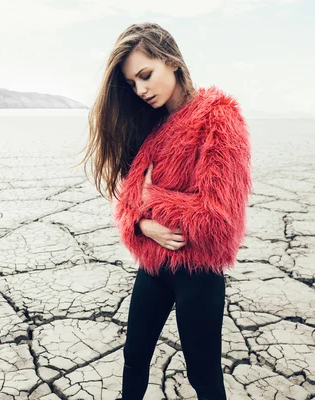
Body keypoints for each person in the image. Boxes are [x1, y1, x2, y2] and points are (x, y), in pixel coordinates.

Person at [79, 22, 252, 399]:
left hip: (198, 273)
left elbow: (219, 219)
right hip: (154, 268)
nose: (140, 90)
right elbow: (126, 204)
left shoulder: (217, 118)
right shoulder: (155, 129)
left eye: (145, 75)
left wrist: (151, 200)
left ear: (172, 61)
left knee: (203, 376)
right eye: (131, 84)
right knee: (134, 357)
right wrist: (142, 225)